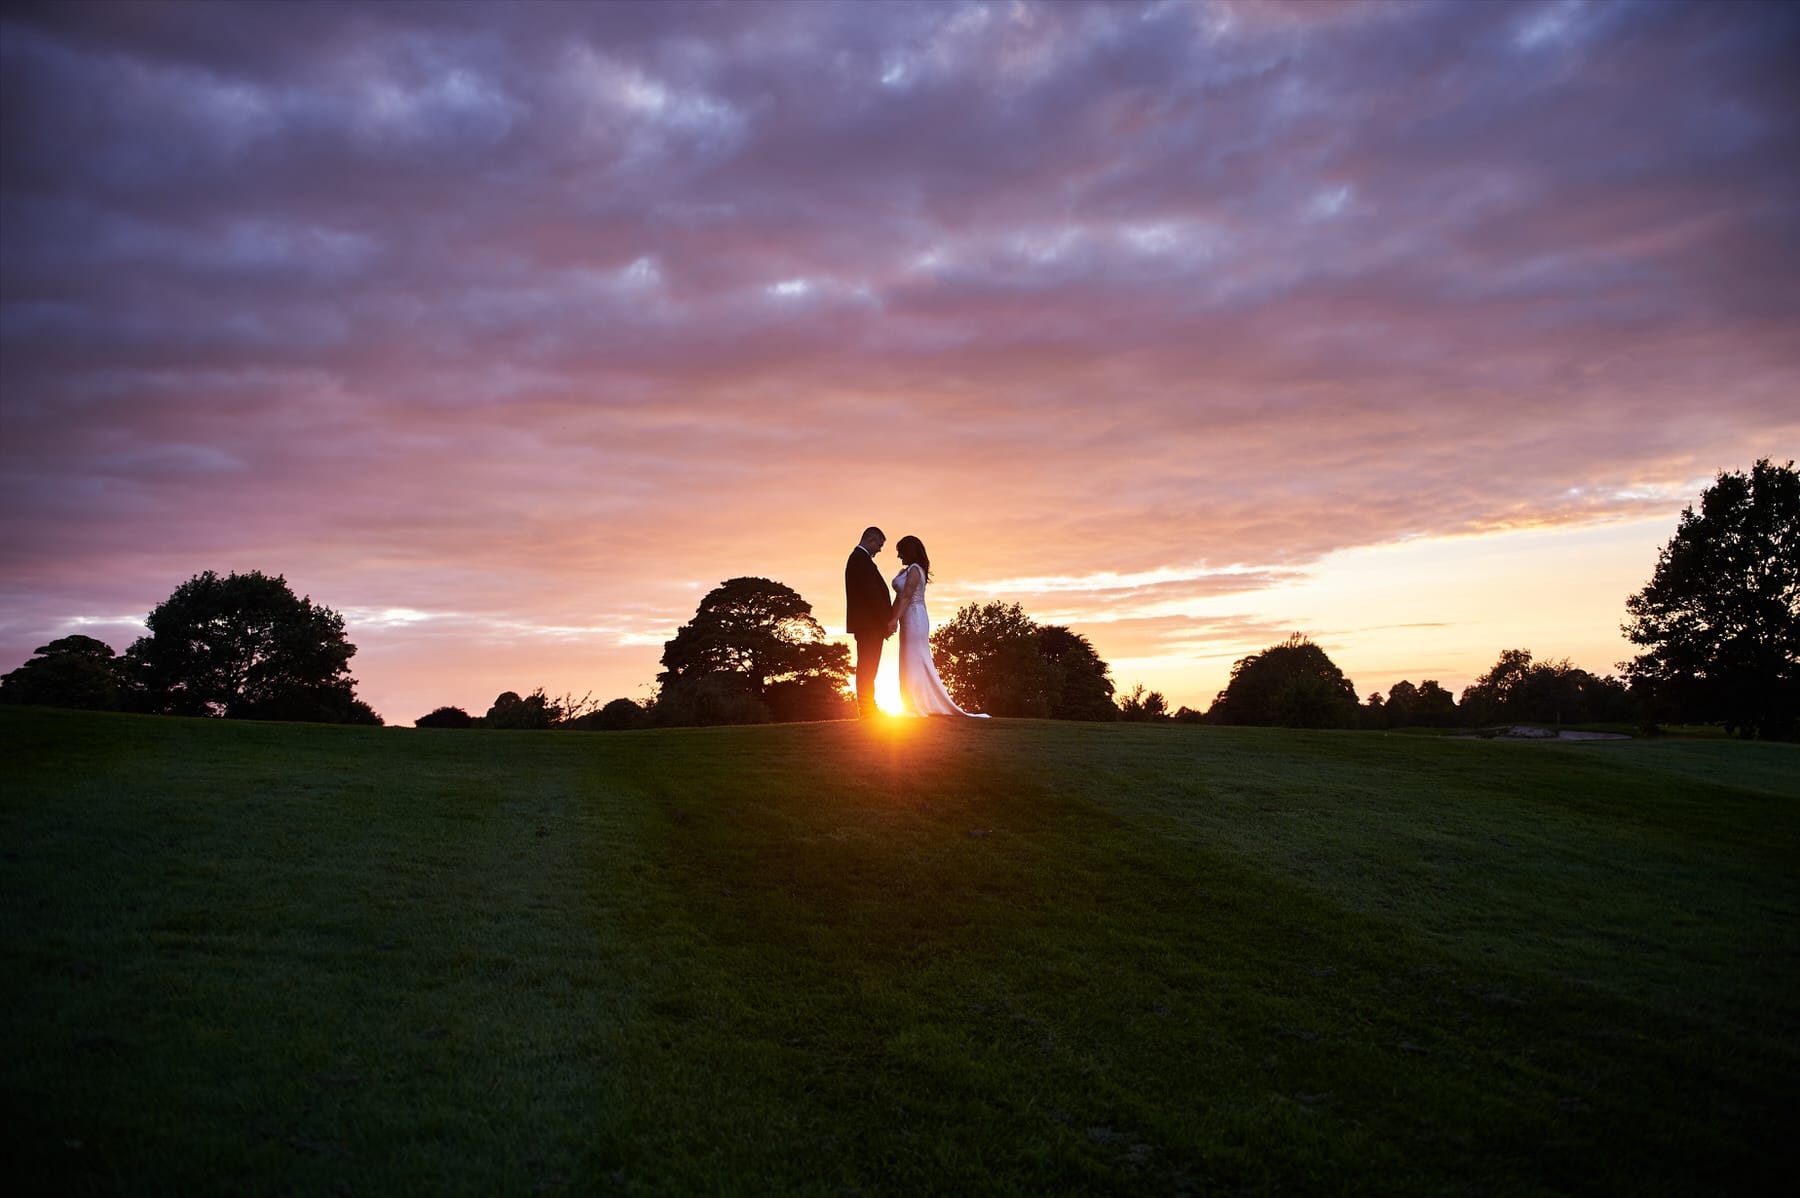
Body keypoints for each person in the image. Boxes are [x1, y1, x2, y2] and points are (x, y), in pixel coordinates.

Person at [886, 535, 988, 718]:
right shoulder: (906, 571)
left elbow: (907, 597)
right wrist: (891, 619)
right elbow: (899, 598)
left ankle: (916, 705)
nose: (898, 556)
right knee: (907, 660)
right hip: (906, 618)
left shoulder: (916, 570)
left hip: (915, 617)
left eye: (900, 551)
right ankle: (911, 702)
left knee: (915, 659)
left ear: (909, 551)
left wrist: (894, 620)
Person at [844, 526, 893, 718]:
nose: (879, 549)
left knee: (869, 666)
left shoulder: (860, 560)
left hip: (869, 625)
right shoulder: (859, 560)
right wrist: (886, 622)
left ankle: (868, 707)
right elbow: (871, 594)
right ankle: (866, 709)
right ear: (870, 540)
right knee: (867, 666)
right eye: (879, 545)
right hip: (869, 625)